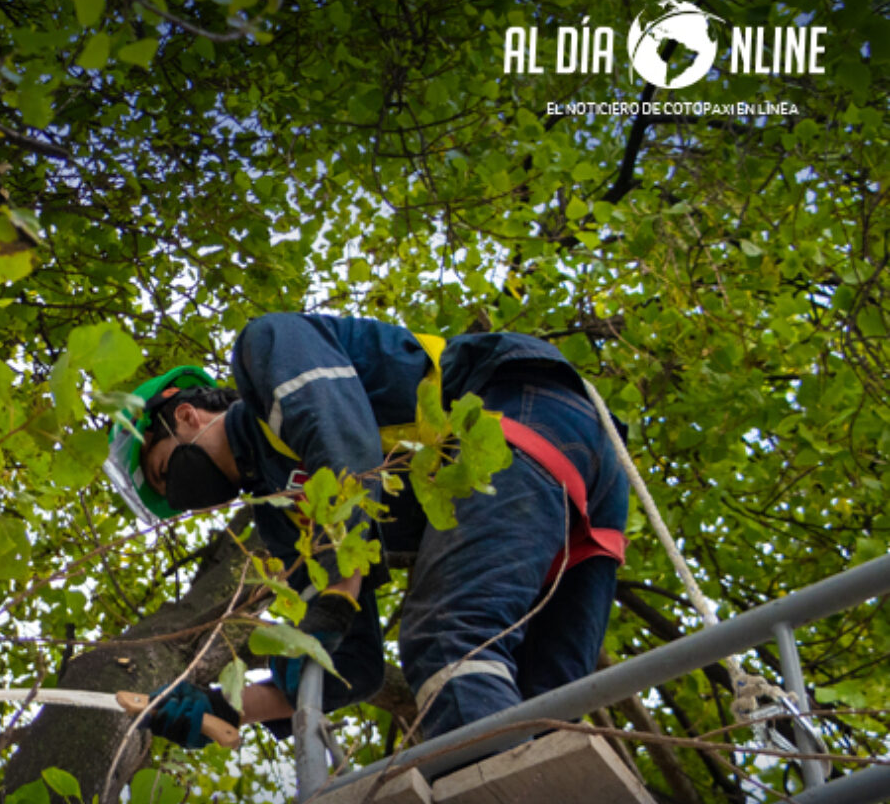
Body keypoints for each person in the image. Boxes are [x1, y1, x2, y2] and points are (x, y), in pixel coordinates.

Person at [104, 311, 628, 748]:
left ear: (186, 414)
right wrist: (229, 707)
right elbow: (351, 663)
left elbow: (341, 438)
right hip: (577, 496)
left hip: (517, 411)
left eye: (164, 472)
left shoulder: (266, 349)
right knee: (543, 706)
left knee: (450, 640)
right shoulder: (283, 518)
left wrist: (338, 588)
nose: (179, 495)